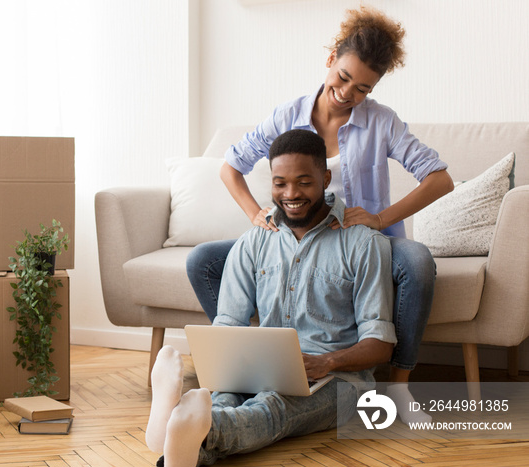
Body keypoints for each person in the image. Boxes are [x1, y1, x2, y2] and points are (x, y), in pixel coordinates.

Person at [186, 5, 453, 424]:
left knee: (417, 261)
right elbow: (230, 166)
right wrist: (256, 213)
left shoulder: (382, 122)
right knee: (203, 260)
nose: (348, 93)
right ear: (330, 60)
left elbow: (439, 178)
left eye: (362, 88)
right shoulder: (287, 115)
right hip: (295, 232)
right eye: (344, 77)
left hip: (357, 238)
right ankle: (258, 360)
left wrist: (381, 219)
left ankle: (398, 386)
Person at [146, 129, 397, 467]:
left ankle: (174, 429)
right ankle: (184, 453)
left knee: (273, 406)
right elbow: (229, 323)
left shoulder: (363, 243)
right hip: (260, 369)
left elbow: (381, 344)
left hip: (339, 382)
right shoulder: (255, 240)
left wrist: (326, 362)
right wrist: (227, 366)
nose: (291, 194)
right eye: (280, 183)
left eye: (304, 182)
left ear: (325, 179)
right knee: (226, 396)